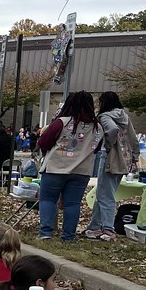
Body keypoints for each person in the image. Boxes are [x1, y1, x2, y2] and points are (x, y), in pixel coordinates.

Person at [37, 91, 101, 241]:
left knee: (48, 199)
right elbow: (96, 147)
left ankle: (46, 233)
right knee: (72, 204)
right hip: (81, 170)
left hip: (55, 167)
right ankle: (68, 236)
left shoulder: (62, 122)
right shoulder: (97, 127)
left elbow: (44, 142)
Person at [84, 91, 141, 241]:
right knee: (104, 193)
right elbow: (133, 137)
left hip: (110, 158)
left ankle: (108, 229)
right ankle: (95, 226)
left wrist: (108, 146)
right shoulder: (124, 116)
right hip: (125, 159)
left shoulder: (105, 117)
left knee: (105, 195)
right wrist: (135, 156)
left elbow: (112, 130)